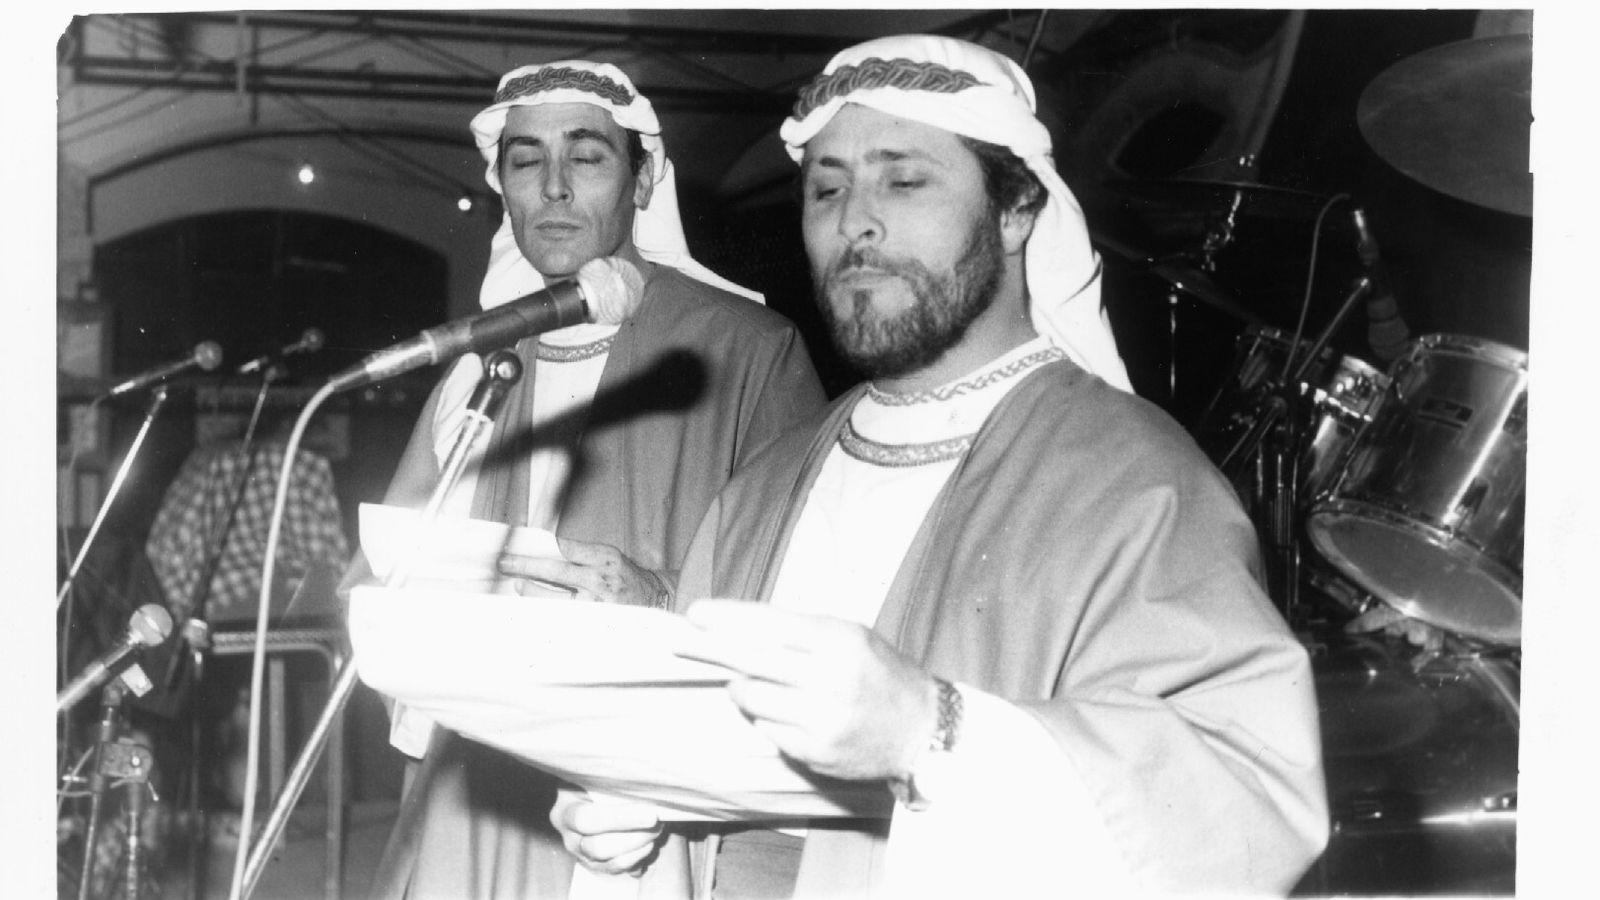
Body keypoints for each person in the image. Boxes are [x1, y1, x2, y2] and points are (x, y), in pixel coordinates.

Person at [550, 35, 1328, 897]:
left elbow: (1248, 801)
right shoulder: (765, 485)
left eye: (905, 179)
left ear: (1016, 211)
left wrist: (930, 730)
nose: (856, 222)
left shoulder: (1134, 479)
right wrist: (638, 822)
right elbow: (696, 749)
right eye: (829, 188)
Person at [371, 59, 826, 898]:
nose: (551, 188)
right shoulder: (479, 357)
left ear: (643, 176)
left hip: (646, 773)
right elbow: (382, 563)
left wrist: (656, 595)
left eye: (585, 157)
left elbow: (813, 604)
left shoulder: (751, 350)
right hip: (478, 765)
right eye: (524, 159)